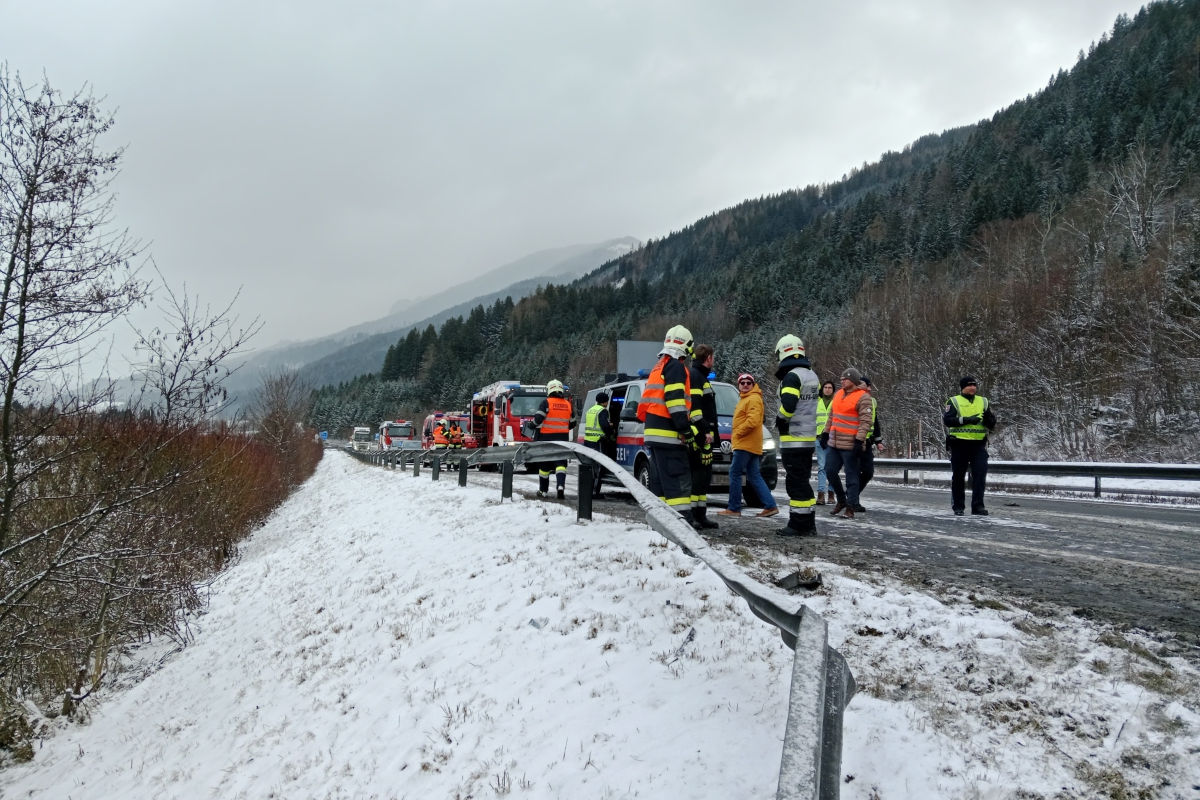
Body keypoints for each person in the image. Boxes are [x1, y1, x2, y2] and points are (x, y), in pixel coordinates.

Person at [639, 325, 697, 527]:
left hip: (654, 434)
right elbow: (675, 402)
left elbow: (645, 406)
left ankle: (659, 525)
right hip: (669, 434)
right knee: (678, 482)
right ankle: (682, 528)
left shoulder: (659, 366)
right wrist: (686, 431)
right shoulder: (676, 367)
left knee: (660, 483)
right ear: (686, 346)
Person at [772, 334, 820, 536]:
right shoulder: (811, 375)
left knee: (795, 483)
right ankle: (809, 523)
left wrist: (780, 419)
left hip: (794, 440)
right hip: (808, 438)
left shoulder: (792, 376)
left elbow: (789, 405)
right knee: (803, 481)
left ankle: (797, 524)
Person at [718, 374, 779, 518]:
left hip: (745, 444)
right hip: (749, 444)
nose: (745, 385)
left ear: (753, 385)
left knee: (735, 473)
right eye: (742, 383)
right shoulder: (746, 399)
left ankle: (734, 508)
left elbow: (753, 421)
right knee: (753, 476)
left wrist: (738, 433)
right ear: (739, 385)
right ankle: (770, 506)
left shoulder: (753, 399)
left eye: (748, 383)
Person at [822, 367, 872, 519]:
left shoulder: (863, 397)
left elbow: (865, 421)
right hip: (834, 442)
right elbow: (832, 416)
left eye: (846, 379)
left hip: (851, 443)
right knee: (829, 471)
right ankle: (842, 500)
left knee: (852, 477)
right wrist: (825, 432)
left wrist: (859, 440)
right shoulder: (838, 395)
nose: (842, 381)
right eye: (842, 378)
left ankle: (850, 507)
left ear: (854, 380)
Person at [943, 375, 997, 516]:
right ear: (963, 387)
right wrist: (966, 420)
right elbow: (948, 420)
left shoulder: (983, 401)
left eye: (974, 385)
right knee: (959, 476)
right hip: (959, 444)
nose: (972, 387)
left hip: (978, 445)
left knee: (980, 475)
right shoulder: (954, 401)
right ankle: (958, 506)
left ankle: (978, 506)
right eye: (969, 385)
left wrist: (990, 420)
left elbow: (991, 423)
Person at [687, 344, 719, 529]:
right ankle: (693, 516)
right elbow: (696, 410)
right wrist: (705, 430)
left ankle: (701, 515)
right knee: (698, 477)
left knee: (704, 477)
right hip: (700, 436)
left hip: (705, 434)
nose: (713, 361)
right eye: (712, 358)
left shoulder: (701, 377)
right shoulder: (696, 376)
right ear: (708, 358)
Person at [533, 379, 575, 499]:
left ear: (549, 390)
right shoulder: (568, 404)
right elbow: (573, 423)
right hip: (563, 438)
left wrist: (531, 425)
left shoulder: (546, 403)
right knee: (561, 463)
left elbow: (538, 419)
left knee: (544, 466)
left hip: (547, 438)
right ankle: (560, 486)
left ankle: (543, 491)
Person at [855, 376, 883, 510]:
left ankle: (850, 496)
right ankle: (853, 501)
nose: (869, 388)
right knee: (854, 471)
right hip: (854, 441)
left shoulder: (873, 401)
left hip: (867, 442)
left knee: (868, 472)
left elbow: (875, 421)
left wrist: (878, 441)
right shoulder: (852, 399)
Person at [582, 391, 615, 498]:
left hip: (588, 441)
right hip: (598, 442)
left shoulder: (590, 410)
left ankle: (587, 490)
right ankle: (595, 493)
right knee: (599, 468)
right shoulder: (603, 411)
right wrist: (611, 430)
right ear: (605, 402)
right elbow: (604, 426)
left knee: (590, 467)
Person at [814, 380, 835, 504]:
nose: (827, 389)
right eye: (825, 387)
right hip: (819, 439)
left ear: (833, 390)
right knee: (822, 467)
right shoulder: (817, 402)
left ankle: (831, 494)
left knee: (832, 467)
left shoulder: (836, 402)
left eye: (830, 387)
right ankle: (821, 494)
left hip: (833, 438)